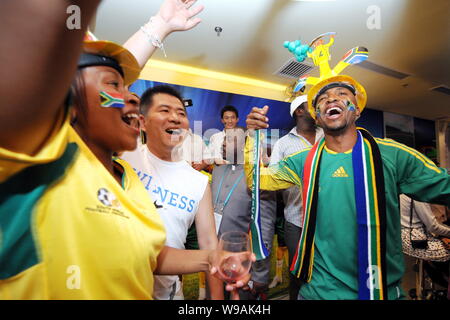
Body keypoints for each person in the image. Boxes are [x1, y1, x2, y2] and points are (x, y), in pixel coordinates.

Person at [0, 0, 250, 300]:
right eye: (115, 87)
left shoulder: (129, 179)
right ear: (65, 105)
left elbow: (148, 255)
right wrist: (157, 26)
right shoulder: (45, 159)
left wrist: (211, 259)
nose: (131, 99)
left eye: (128, 90)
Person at [245, 72, 450, 299]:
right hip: (317, 292)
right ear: (318, 117)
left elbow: (445, 187)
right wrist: (252, 137)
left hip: (380, 291)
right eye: (322, 99)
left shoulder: (392, 154)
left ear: (358, 110)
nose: (331, 99)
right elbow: (257, 179)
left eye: (342, 94)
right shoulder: (303, 160)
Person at [121, 85, 223, 300]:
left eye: (181, 114)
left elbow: (209, 245)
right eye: (164, 110)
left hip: (167, 292)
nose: (175, 118)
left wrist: (217, 298)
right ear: (142, 122)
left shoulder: (199, 183)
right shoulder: (125, 158)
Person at [268, 95, 323, 299]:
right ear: (299, 111)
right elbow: (273, 178)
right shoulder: (283, 144)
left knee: (325, 270)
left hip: (327, 220)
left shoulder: (327, 136)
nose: (317, 107)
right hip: (296, 221)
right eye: (311, 105)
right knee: (297, 273)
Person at [212, 127, 276, 299]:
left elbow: (264, 228)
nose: (224, 143)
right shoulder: (217, 171)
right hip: (214, 262)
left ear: (244, 146)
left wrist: (259, 275)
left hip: (241, 267)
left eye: (230, 140)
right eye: (225, 139)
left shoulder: (259, 177)